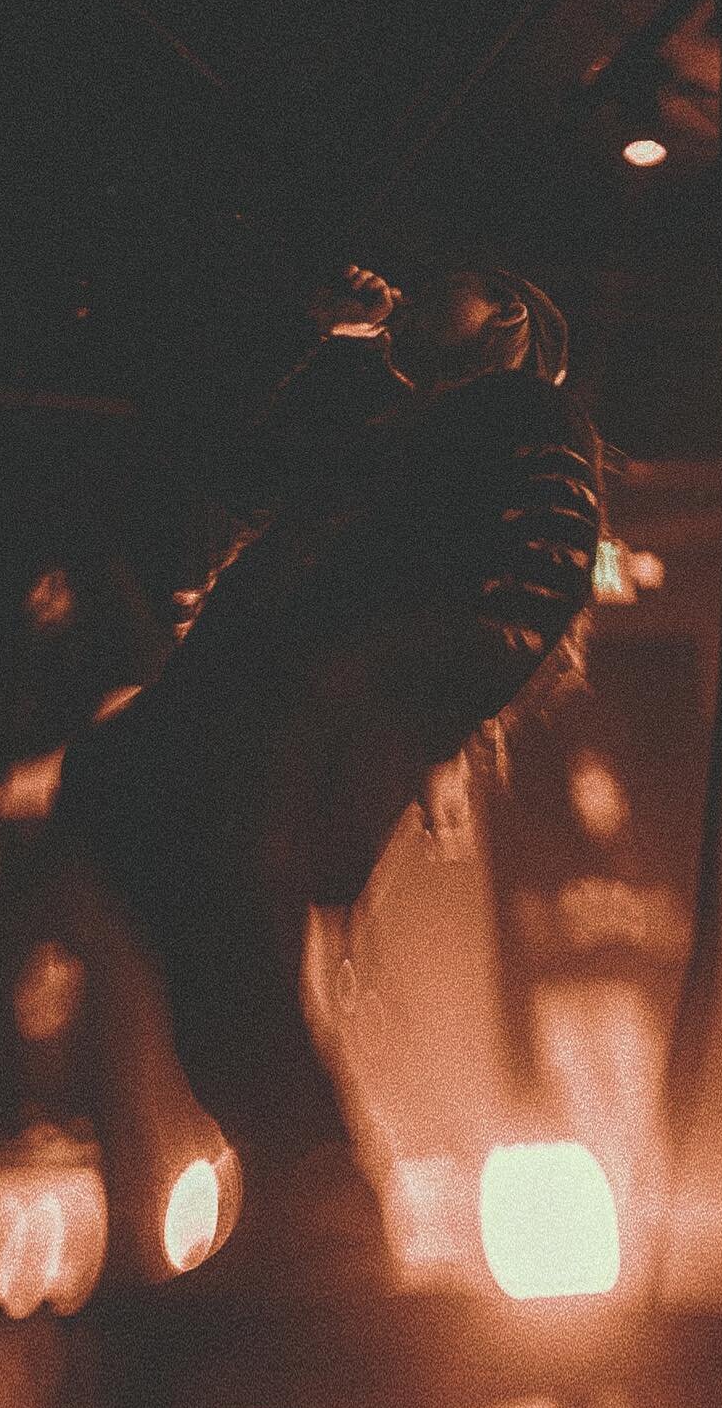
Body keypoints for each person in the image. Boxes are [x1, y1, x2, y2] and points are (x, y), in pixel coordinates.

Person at [56, 256, 604, 1267]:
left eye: (453, 278)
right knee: (122, 802)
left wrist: (404, 697)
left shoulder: (528, 414)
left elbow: (544, 579)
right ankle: (292, 1179)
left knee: (231, 869)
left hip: (329, 706)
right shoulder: (370, 427)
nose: (418, 289)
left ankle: (315, 1189)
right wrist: (317, 341)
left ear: (509, 311)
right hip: (245, 696)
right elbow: (232, 478)